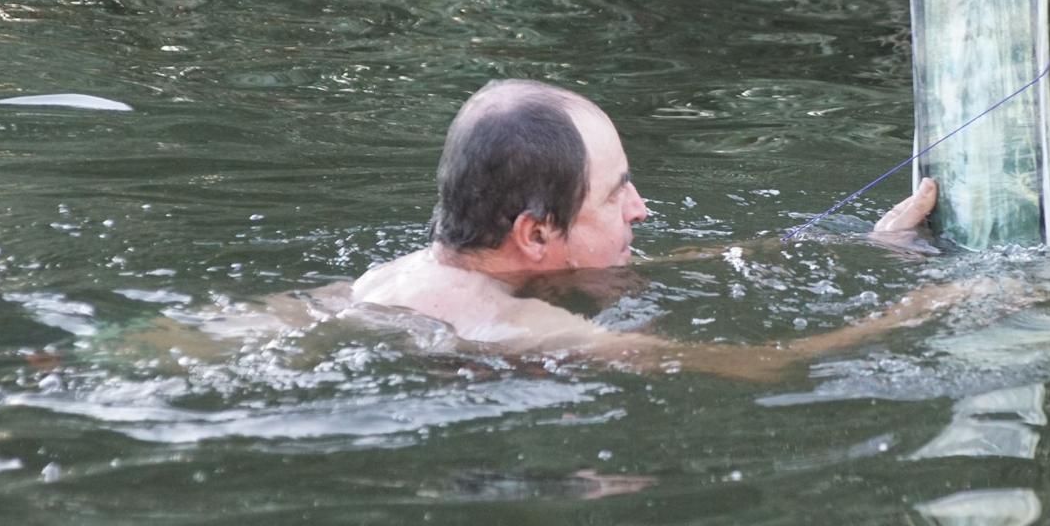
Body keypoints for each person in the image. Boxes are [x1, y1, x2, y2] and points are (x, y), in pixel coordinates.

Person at [347, 79, 953, 379]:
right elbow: (761, 364)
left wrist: (868, 245)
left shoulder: (385, 282)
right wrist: (924, 310)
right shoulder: (520, 328)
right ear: (534, 234)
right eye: (616, 194)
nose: (640, 209)